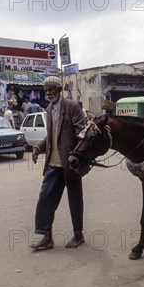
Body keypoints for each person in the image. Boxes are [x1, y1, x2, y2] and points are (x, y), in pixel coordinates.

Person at [30, 76, 86, 250]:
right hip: (53, 163)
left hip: (69, 162)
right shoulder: (48, 108)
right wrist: (39, 147)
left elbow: (81, 133)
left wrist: (77, 155)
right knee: (45, 198)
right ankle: (47, 237)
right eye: (46, 90)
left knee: (74, 200)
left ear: (59, 89)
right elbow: (51, 135)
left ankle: (78, 235)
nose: (48, 93)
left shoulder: (71, 106)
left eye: (51, 89)